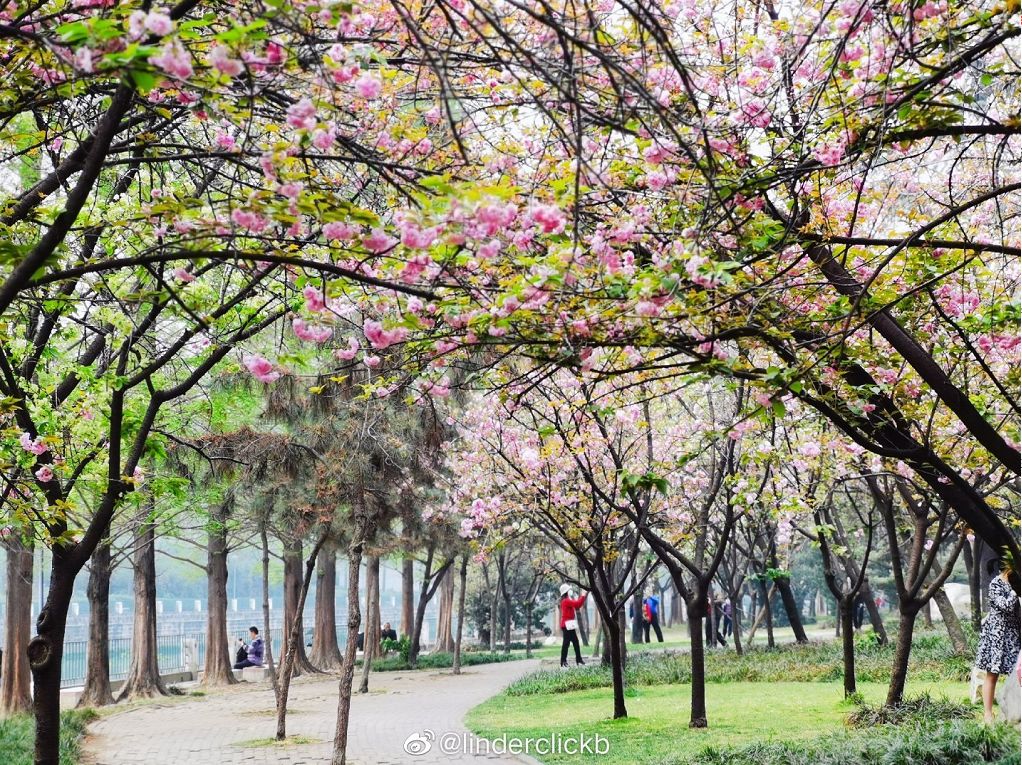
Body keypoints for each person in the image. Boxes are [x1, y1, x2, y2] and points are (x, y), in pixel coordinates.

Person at [976, 558, 1020, 723]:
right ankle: (988, 714)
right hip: (997, 634)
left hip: (1013, 634)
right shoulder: (996, 583)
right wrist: (1016, 591)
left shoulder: (1017, 582)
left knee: (1016, 673)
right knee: (992, 674)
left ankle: (1014, 711)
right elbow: (1006, 606)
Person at [558, 583, 588, 668]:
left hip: (568, 625)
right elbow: (577, 605)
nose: (570, 591)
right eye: (569, 590)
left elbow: (576, 604)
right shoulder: (566, 601)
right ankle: (564, 661)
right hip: (567, 625)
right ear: (566, 592)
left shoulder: (566, 600)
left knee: (573, 642)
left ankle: (576, 660)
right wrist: (583, 595)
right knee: (567, 643)